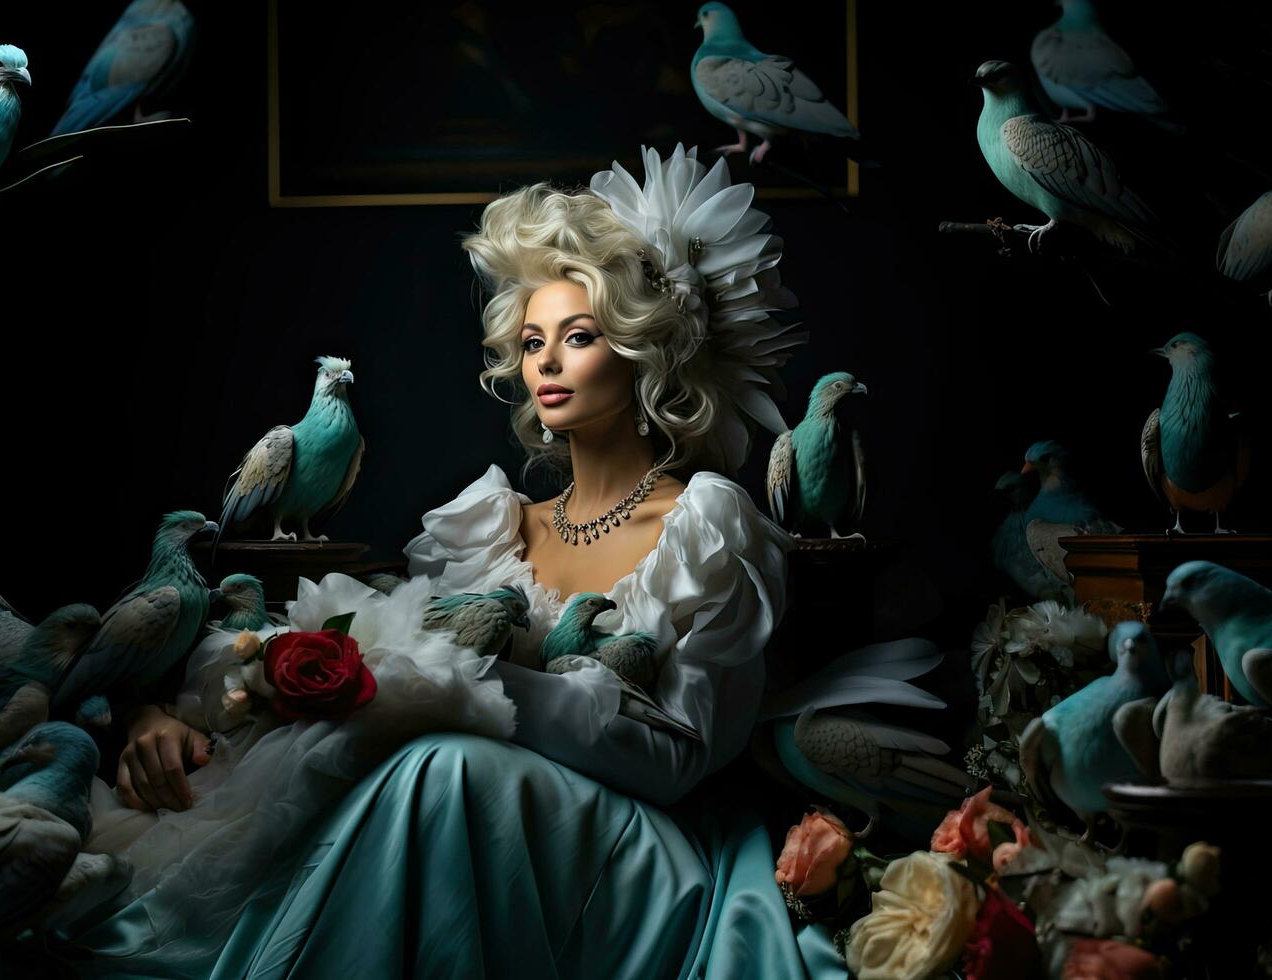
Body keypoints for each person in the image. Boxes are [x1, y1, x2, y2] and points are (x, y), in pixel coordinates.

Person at [69, 146, 846, 978]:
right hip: (479, 821)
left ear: (641, 351)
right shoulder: (486, 527)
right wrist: (183, 710)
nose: (544, 362)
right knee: (409, 773)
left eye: (578, 337)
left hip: (630, 849)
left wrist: (442, 680)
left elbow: (677, 759)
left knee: (440, 767)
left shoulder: (707, 522)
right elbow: (366, 667)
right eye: (531, 340)